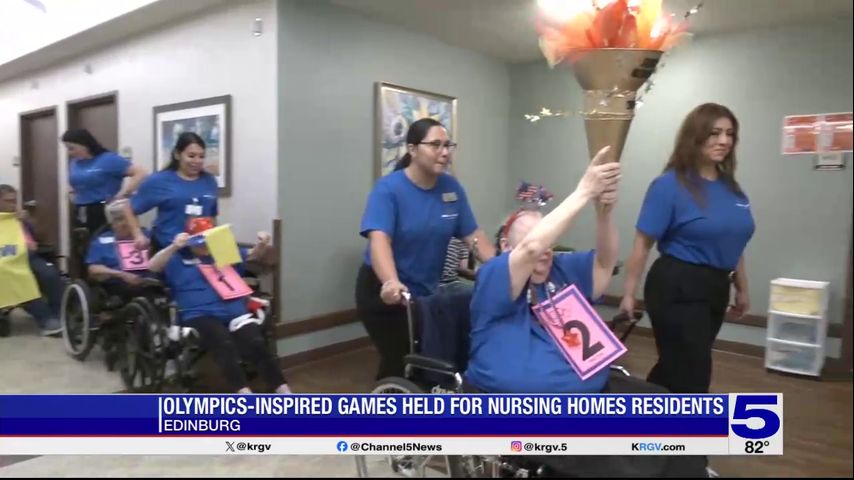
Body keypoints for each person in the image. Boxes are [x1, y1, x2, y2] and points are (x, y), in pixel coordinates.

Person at [619, 103, 755, 395]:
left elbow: (734, 241)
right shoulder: (669, 185)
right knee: (693, 373)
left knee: (676, 366)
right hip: (677, 284)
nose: (724, 141)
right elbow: (642, 244)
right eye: (715, 133)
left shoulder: (732, 189)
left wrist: (741, 287)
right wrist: (629, 294)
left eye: (730, 134)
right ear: (695, 136)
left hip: (716, 287)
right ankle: (689, 435)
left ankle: (642, 414)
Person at [356, 117, 495, 380]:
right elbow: (379, 240)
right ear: (412, 149)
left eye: (448, 145)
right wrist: (391, 282)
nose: (444, 153)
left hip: (425, 294)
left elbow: (473, 235)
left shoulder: (451, 188)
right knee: (399, 360)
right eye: (435, 145)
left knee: (425, 359)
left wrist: (505, 267)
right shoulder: (388, 189)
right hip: (384, 291)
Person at [149, 217, 290, 394]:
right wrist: (174, 246)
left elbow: (251, 255)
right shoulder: (176, 259)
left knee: (256, 342)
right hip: (199, 313)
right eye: (200, 242)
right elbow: (152, 266)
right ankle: (243, 392)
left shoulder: (222, 252)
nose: (204, 246)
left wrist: (263, 244)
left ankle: (283, 390)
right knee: (222, 341)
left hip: (234, 310)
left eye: (207, 241)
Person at [129, 132, 219, 252]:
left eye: (201, 156)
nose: (197, 161)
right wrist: (138, 234)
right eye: (191, 156)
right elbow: (129, 208)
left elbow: (212, 216)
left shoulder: (209, 180)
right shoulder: (159, 180)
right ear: (177, 155)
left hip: (200, 251)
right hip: (168, 250)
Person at [0, 184, 63, 336]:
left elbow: (37, 236)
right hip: (5, 260)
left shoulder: (18, 218)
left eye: (15, 201)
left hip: (28, 255)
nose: (13, 205)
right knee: (18, 277)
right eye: (9, 201)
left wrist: (28, 222)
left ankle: (59, 314)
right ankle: (45, 318)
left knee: (50, 274)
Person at [62, 129, 147, 235]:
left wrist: (123, 195)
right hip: (81, 210)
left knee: (104, 241)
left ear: (84, 145)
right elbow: (73, 180)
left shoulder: (108, 159)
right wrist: (71, 193)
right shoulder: (75, 162)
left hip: (103, 209)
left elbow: (141, 172)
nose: (69, 153)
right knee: (83, 245)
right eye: (67, 149)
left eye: (72, 148)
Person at [84, 201, 158, 299]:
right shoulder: (101, 241)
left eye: (131, 219)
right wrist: (122, 275)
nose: (126, 223)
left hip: (150, 282)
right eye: (120, 219)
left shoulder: (148, 236)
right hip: (118, 285)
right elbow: (93, 269)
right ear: (113, 223)